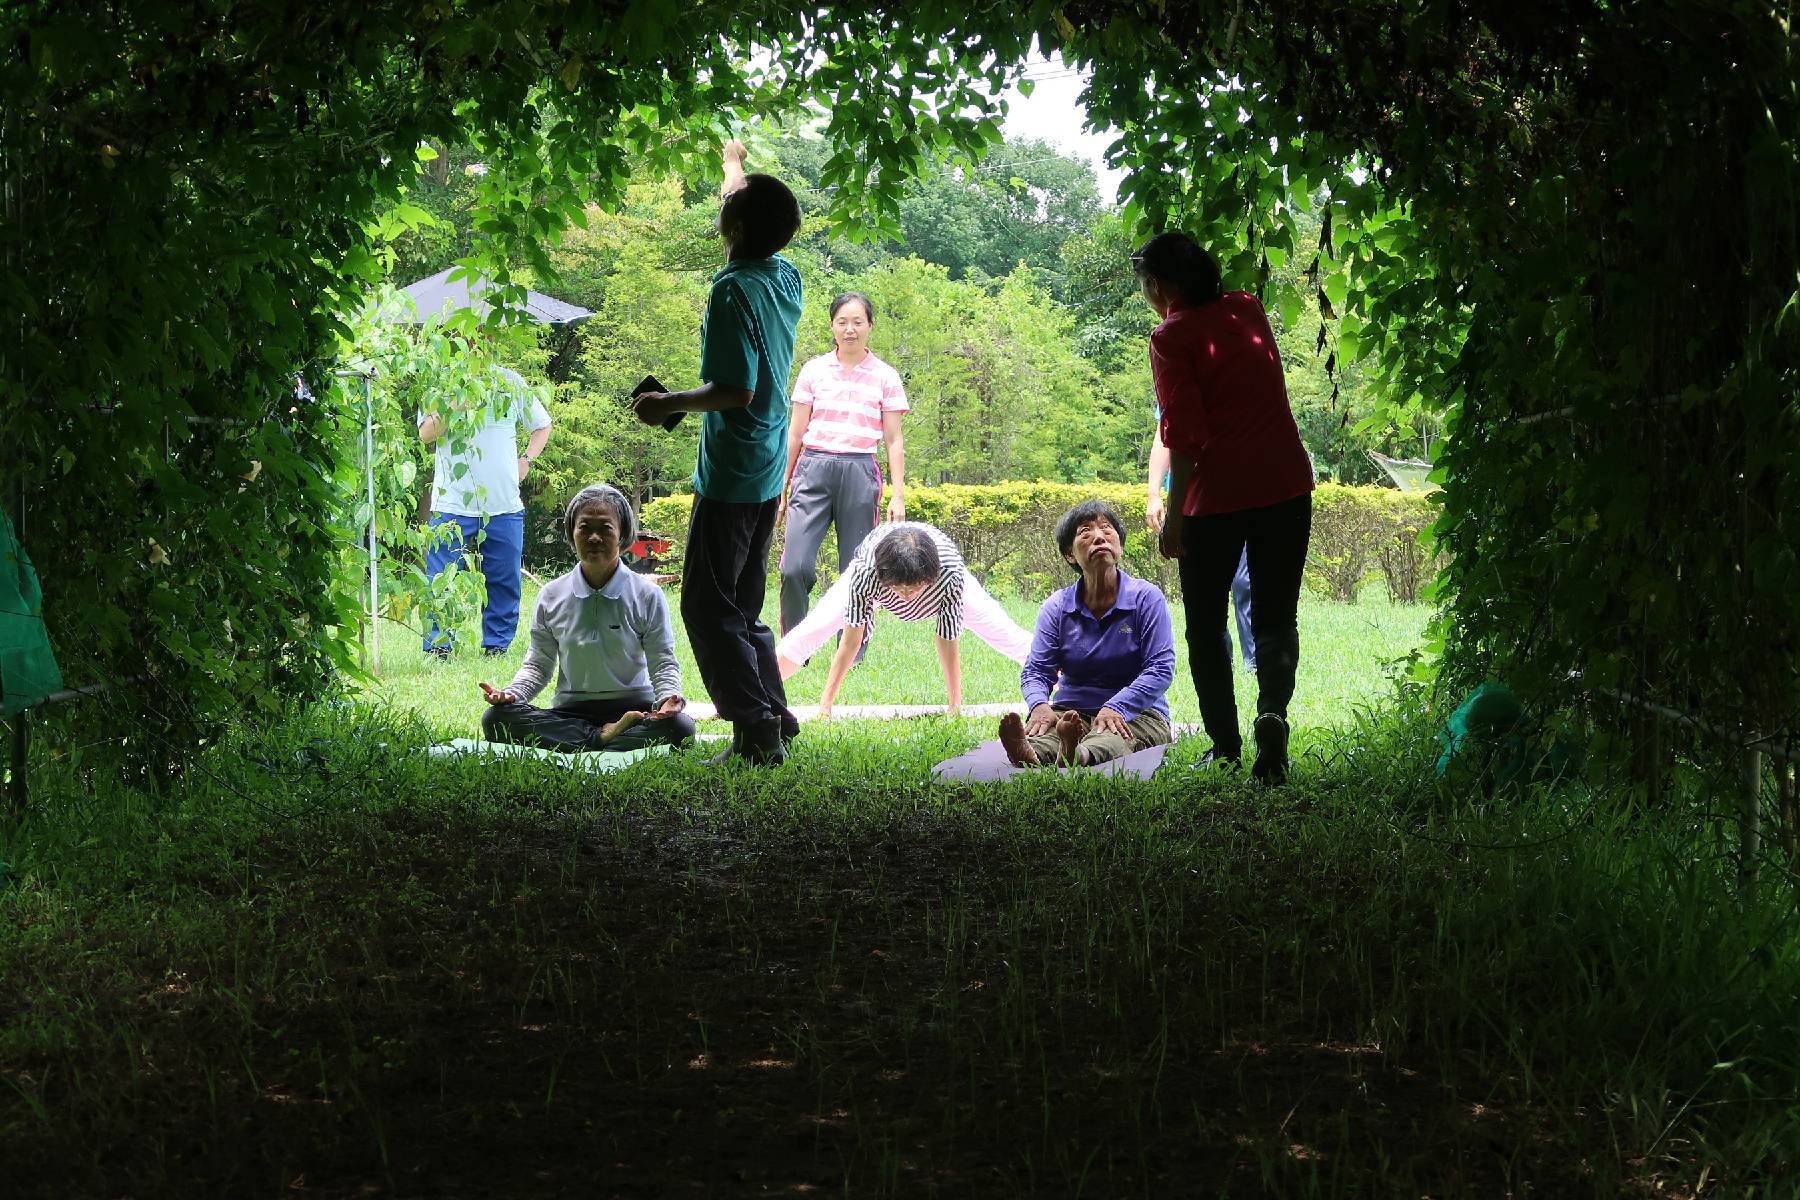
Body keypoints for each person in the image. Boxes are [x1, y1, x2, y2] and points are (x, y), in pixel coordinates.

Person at [631, 140, 803, 765]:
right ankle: (776, 717)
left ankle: (756, 729)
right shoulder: (785, 275)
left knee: (706, 607)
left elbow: (737, 389)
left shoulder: (730, 290)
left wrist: (667, 402)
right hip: (765, 464)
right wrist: (734, 164)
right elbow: (750, 216)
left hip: (731, 471)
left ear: (731, 225)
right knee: (741, 605)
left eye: (728, 203)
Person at [1136, 231, 1314, 782]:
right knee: (1275, 615)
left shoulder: (1171, 337)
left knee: (1206, 625)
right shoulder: (1247, 309)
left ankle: (1225, 746)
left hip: (1217, 498)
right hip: (1285, 482)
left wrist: (1176, 516)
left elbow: (1185, 435)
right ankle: (1272, 717)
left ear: (1160, 287)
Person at [479, 484, 696, 752]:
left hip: (635, 711)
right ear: (572, 533)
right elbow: (538, 665)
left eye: (605, 528)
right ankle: (602, 739)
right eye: (585, 528)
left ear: (622, 535)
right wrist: (512, 695)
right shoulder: (551, 595)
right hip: (570, 712)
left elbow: (663, 661)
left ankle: (585, 740)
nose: (594, 537)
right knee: (496, 719)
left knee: (682, 727)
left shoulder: (647, 595)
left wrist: (667, 699)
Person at [775, 522, 1033, 717]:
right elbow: (851, 641)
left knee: (1005, 633)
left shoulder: (950, 573)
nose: (907, 597)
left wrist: (955, 707)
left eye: (914, 589)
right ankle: (757, 690)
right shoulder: (867, 571)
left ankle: (1070, 681)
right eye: (901, 590)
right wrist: (825, 707)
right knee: (812, 629)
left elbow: (947, 639)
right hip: (878, 574)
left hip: (938, 579)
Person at [999, 500, 1176, 766]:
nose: (1098, 536)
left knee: (1112, 738)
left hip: (1138, 713)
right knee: (1048, 733)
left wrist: (1117, 706)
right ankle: (1033, 752)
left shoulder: (1146, 598)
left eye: (1107, 529)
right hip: (1071, 712)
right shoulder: (1057, 607)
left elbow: (1160, 669)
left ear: (1119, 545)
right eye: (1085, 532)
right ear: (1070, 554)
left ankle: (1078, 754)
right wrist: (1039, 706)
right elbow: (1036, 670)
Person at [777, 291, 909, 637]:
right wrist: (782, 483)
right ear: (832, 326)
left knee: (858, 568)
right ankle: (794, 644)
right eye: (842, 322)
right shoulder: (813, 370)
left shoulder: (885, 376)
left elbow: (894, 440)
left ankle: (852, 649)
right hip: (813, 469)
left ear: (870, 326)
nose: (850, 329)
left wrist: (898, 494)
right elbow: (794, 434)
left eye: (857, 322)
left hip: (860, 472)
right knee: (795, 566)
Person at [418, 353, 553, 658]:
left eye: (484, 338)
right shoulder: (441, 384)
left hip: (503, 504)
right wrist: (455, 402)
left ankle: (497, 646)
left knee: (504, 578)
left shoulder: (509, 381)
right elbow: (425, 434)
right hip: (451, 503)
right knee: (440, 578)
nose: (476, 346)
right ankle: (438, 647)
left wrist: (526, 460)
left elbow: (542, 424)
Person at [1148, 419, 1255, 673]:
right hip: (1191, 504)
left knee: (1245, 582)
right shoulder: (1175, 386)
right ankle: (1220, 662)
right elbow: (1165, 437)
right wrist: (1153, 494)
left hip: (1240, 497)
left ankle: (1254, 662)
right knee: (1206, 597)